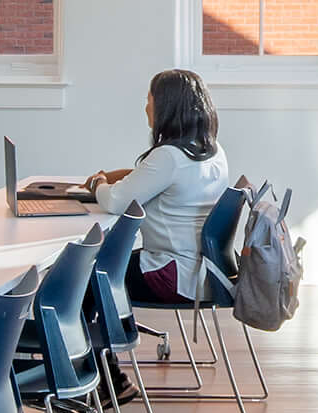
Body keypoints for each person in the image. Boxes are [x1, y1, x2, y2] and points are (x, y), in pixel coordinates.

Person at [91, 69, 234, 302]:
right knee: (104, 266)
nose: (146, 108)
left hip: (171, 275)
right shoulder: (212, 151)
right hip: (203, 273)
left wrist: (98, 183)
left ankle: (107, 337)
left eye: (149, 100)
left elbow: (114, 201)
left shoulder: (169, 157)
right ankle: (101, 336)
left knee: (88, 273)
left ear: (166, 108)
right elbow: (163, 180)